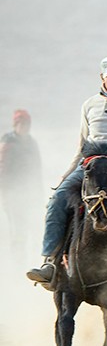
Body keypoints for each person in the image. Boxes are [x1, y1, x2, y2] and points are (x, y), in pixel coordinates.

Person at [26, 56, 107, 295]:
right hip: (90, 168)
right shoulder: (89, 105)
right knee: (57, 201)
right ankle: (50, 262)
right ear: (102, 78)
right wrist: (66, 176)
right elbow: (81, 146)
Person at [0, 109, 43, 259]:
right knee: (18, 231)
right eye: (22, 124)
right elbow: (3, 171)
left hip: (30, 194)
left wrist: (40, 193)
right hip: (14, 195)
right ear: (15, 124)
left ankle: (32, 258)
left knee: (35, 228)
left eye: (27, 124)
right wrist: (5, 196)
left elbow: (37, 169)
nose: (25, 127)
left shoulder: (31, 143)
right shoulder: (8, 143)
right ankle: (18, 262)